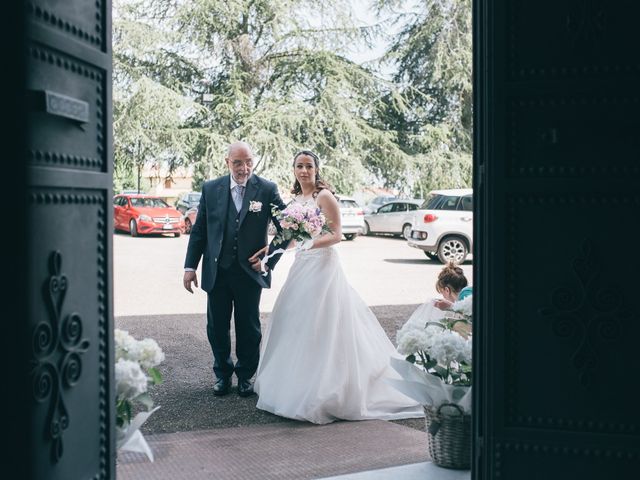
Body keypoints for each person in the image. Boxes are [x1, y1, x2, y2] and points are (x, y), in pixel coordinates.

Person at [250, 150, 423, 424]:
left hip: (322, 267)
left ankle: (325, 388)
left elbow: (336, 234)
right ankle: (297, 383)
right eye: (299, 166)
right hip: (302, 266)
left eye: (308, 166)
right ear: (293, 169)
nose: (304, 170)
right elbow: (292, 237)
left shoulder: (324, 196)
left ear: (317, 169)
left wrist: (309, 242)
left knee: (321, 323)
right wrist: (270, 252)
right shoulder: (296, 199)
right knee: (295, 321)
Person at [183, 141, 287, 397]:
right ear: (227, 162)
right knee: (216, 327)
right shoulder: (210, 188)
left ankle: (245, 376)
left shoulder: (266, 189)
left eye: (249, 161)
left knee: (249, 327)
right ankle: (222, 374)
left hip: (249, 273)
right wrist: (189, 266)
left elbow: (288, 228)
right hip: (217, 271)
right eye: (238, 162)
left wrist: (267, 259)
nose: (245, 168)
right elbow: (199, 231)